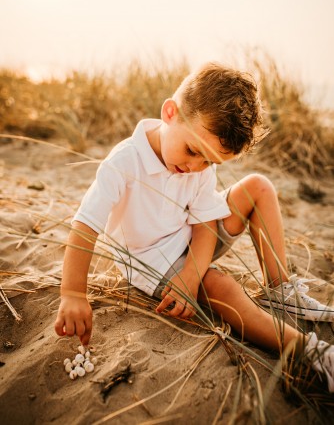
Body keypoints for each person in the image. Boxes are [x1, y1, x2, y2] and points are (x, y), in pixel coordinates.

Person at [54, 63, 334, 391]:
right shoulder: (123, 163)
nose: (194, 168)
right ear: (170, 112)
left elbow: (206, 227)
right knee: (223, 287)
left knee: (258, 186)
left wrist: (193, 272)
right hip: (153, 262)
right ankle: (312, 351)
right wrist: (73, 293)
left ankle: (279, 288)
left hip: (194, 238)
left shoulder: (198, 165)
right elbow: (85, 226)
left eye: (209, 162)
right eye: (192, 151)